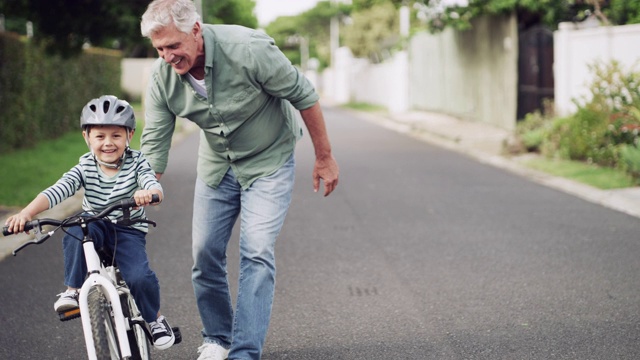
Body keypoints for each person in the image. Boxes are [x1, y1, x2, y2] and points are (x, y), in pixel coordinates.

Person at [139, 0, 340, 359]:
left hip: (268, 160)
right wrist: (146, 190)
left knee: (257, 250)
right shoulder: (162, 77)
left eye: (173, 46)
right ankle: (217, 338)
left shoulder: (248, 49)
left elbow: (304, 96)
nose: (168, 56)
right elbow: (155, 141)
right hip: (217, 165)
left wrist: (324, 157)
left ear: (196, 31)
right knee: (205, 253)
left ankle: (244, 351)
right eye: (159, 49)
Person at [4, 95, 176, 350]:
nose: (108, 143)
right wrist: (26, 214)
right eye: (100, 136)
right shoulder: (85, 166)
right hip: (94, 225)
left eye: (116, 136)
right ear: (87, 137)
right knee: (75, 227)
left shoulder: (137, 162)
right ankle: (73, 290)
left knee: (139, 277)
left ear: (129, 135)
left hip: (127, 229)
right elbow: (57, 190)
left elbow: (153, 184)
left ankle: (155, 319)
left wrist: (149, 193)